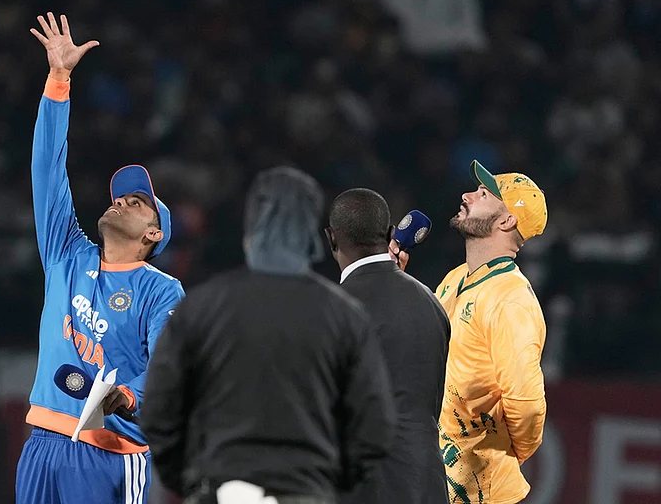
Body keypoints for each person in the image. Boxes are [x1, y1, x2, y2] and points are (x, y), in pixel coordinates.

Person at [140, 167, 396, 504]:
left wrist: (191, 480)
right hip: (306, 489)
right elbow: (375, 428)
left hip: (221, 487)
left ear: (250, 228)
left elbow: (159, 412)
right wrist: (327, 483)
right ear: (313, 235)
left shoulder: (202, 307)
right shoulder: (345, 316)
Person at [15, 13, 185, 504]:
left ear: (154, 233)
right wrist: (58, 81)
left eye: (140, 202)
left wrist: (131, 394)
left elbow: (170, 363)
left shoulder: (160, 289)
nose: (125, 200)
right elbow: (47, 167)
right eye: (122, 195)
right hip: (42, 442)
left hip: (110, 451)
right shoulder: (67, 254)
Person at [391, 160, 548, 504]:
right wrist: (394, 283)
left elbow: (528, 409)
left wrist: (498, 454)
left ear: (507, 221)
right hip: (435, 481)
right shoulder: (456, 278)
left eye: (483, 194)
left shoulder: (511, 300)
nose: (466, 195)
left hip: (480, 493)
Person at [325, 188, 450, 504]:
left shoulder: (331, 309)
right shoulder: (432, 303)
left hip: (364, 489)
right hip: (427, 485)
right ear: (391, 233)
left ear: (332, 238)